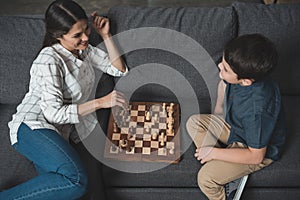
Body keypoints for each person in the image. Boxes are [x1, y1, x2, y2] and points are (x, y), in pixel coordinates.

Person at [0, 0, 128, 199]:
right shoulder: (49, 59)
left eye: (86, 29)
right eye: (77, 35)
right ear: (58, 36)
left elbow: (118, 69)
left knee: (65, 192)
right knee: (76, 181)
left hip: (58, 133)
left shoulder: (83, 51)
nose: (86, 37)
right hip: (31, 126)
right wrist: (101, 102)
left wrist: (105, 35)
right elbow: (53, 113)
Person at [186, 33, 286, 200]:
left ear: (246, 81)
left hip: (255, 149)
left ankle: (228, 189)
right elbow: (223, 84)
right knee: (194, 122)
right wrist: (218, 111)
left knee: (205, 179)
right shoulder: (239, 75)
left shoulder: (257, 112)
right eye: (223, 62)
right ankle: (228, 168)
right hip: (237, 128)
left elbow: (256, 156)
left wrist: (214, 153)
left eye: (225, 69)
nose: (219, 66)